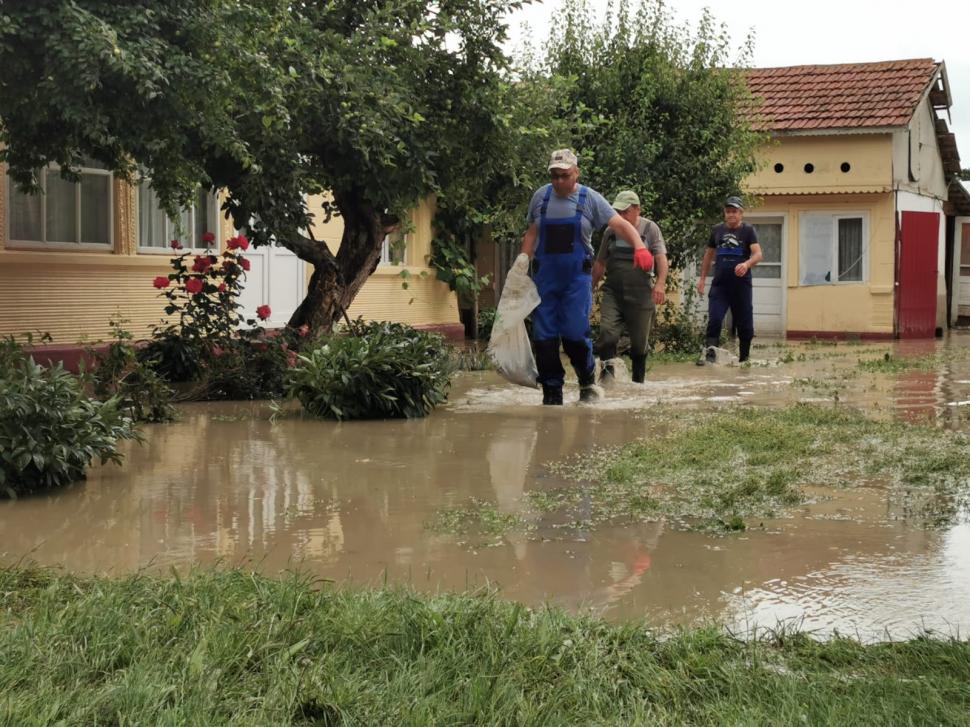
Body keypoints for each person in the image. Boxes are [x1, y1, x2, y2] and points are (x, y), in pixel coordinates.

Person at [520, 149, 653, 405]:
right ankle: (551, 396)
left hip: (576, 280)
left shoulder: (589, 199)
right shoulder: (540, 197)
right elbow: (532, 234)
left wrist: (640, 246)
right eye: (554, 176)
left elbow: (621, 225)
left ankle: (586, 382)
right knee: (544, 338)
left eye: (564, 175)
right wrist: (520, 264)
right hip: (545, 280)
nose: (558, 181)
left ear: (576, 173)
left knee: (573, 334)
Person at [592, 190, 668, 384]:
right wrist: (590, 287)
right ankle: (607, 381)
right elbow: (600, 263)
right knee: (607, 335)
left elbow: (661, 259)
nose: (621, 216)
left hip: (641, 295)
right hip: (613, 293)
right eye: (618, 211)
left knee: (639, 346)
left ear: (637, 209)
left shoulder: (650, 229)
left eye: (625, 211)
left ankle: (638, 384)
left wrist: (660, 284)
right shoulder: (611, 232)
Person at [695, 195, 763, 364]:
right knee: (715, 319)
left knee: (745, 324)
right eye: (728, 211)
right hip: (720, 285)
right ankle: (711, 357)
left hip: (741, 286)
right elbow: (708, 255)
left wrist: (746, 264)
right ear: (724, 213)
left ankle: (744, 360)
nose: (731, 214)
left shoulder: (748, 230)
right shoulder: (717, 230)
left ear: (741, 213)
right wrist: (702, 279)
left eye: (734, 211)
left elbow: (758, 254)